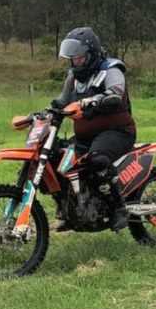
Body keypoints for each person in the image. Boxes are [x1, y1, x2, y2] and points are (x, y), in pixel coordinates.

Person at [51, 27, 136, 232]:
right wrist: (47, 113)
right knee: (59, 160)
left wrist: (95, 101)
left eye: (79, 57)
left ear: (91, 54)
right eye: (72, 59)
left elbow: (115, 93)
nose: (75, 62)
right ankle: (71, 210)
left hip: (118, 131)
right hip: (85, 136)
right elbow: (62, 102)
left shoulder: (111, 69)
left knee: (97, 158)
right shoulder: (73, 77)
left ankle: (118, 208)